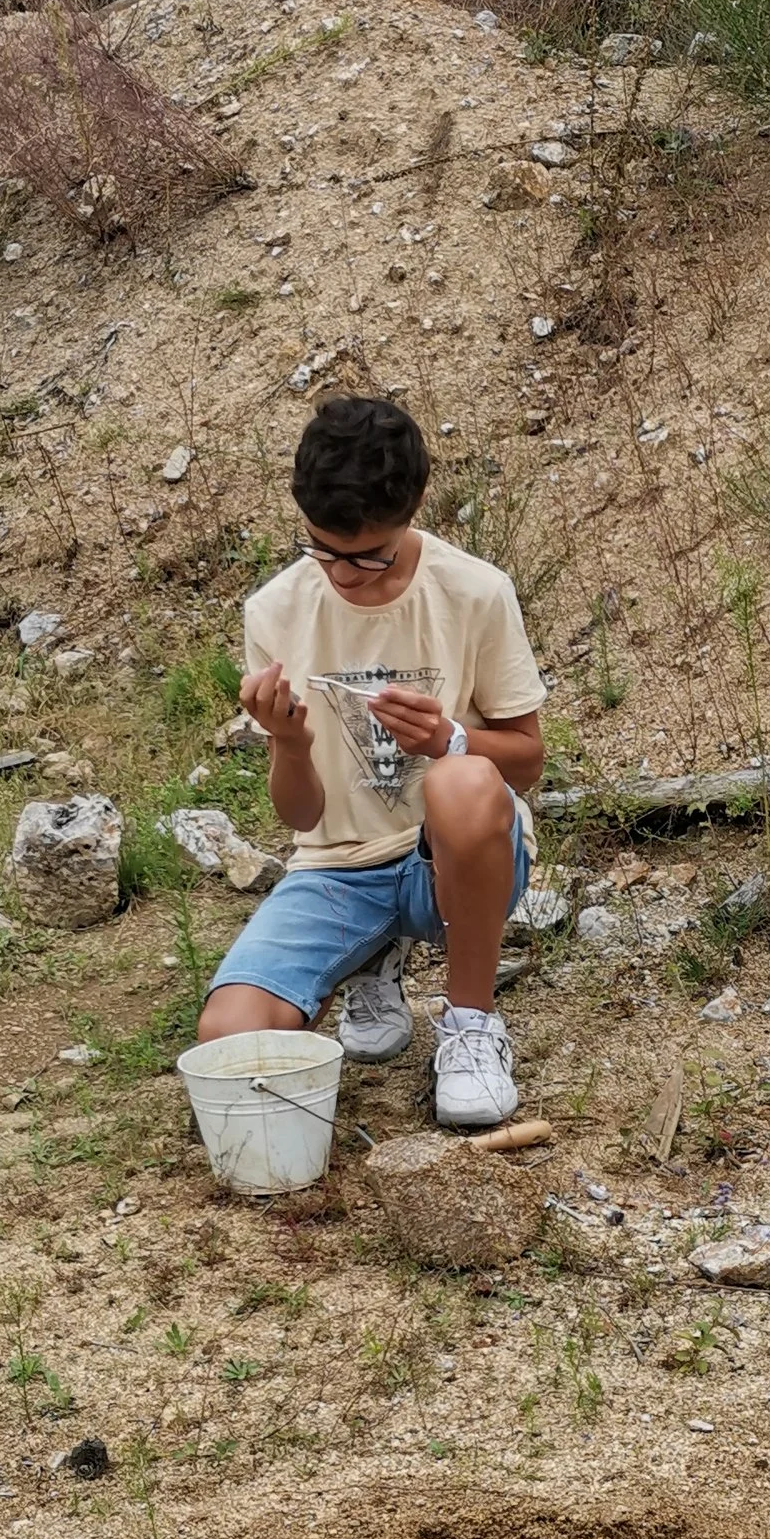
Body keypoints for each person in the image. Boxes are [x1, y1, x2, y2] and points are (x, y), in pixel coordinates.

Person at [197, 394, 546, 1130]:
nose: (345, 574)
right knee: (228, 1035)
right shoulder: (275, 611)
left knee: (461, 778)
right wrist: (290, 742)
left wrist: (450, 738)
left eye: (370, 554)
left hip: (454, 859)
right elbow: (301, 818)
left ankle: (471, 1025)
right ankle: (369, 958)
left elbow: (526, 760)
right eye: (323, 549)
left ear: (413, 508)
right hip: (336, 865)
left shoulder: (474, 591)